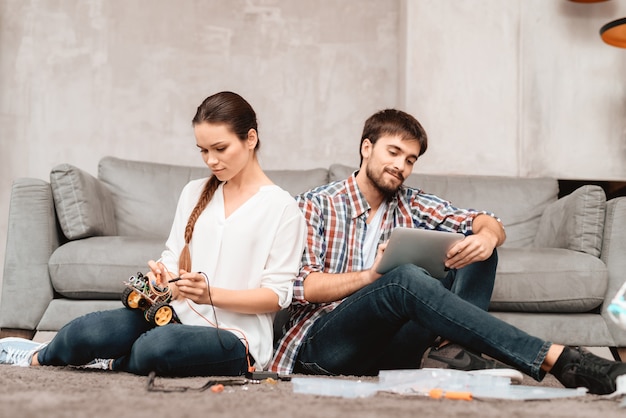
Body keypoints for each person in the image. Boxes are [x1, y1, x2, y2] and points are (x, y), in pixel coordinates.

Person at [269, 108, 626, 395]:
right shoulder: (314, 205)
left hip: (390, 352)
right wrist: (372, 277)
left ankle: (460, 354)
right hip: (325, 347)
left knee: (477, 250)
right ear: (366, 147)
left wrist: (487, 237)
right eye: (393, 152)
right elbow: (304, 288)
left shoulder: (412, 202)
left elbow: (485, 221)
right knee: (403, 278)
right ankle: (557, 358)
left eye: (409, 159)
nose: (400, 166)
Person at [0, 91, 307, 377]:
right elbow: (173, 260)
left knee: (157, 348)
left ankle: (113, 361)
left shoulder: (283, 208)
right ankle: (35, 356)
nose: (211, 160)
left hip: (237, 338)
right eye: (203, 150)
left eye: (220, 148)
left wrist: (211, 295)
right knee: (88, 332)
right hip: (172, 314)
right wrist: (164, 281)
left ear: (250, 139)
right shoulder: (194, 192)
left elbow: (276, 297)